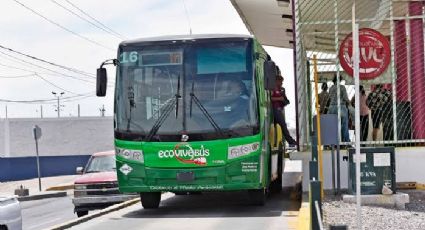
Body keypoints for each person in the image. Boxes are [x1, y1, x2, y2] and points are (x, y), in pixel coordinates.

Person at [271, 75, 297, 146]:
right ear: (276, 81)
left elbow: (285, 98)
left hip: (280, 109)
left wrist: (284, 101)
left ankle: (279, 142)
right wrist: (279, 98)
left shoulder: (282, 89)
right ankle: (290, 141)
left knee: (279, 126)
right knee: (283, 125)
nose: (281, 84)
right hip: (275, 109)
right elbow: (270, 98)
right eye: (280, 82)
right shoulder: (272, 89)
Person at [328, 75, 350, 142]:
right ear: (340, 80)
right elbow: (345, 98)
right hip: (341, 107)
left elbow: (330, 97)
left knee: (333, 126)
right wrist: (349, 103)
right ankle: (345, 142)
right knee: (344, 125)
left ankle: (333, 142)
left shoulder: (331, 88)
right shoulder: (342, 87)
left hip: (332, 107)